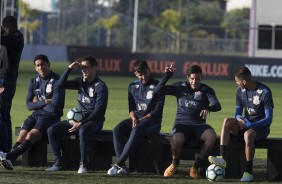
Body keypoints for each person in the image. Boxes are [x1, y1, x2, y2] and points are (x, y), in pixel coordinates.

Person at [208, 66, 274, 182]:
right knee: (227, 121)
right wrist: (240, 118)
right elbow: (237, 113)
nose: (237, 84)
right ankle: (222, 158)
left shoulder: (265, 92)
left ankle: (248, 173)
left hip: (260, 128)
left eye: (237, 82)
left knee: (248, 135)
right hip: (245, 125)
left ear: (244, 81)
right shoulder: (240, 91)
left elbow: (269, 119)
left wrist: (251, 125)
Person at [0, 54, 64, 170]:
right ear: (35, 68)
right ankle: (9, 160)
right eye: (38, 65)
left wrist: (38, 102)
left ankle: (7, 156)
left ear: (48, 65)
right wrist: (45, 101)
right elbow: (29, 105)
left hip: (51, 117)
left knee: (31, 135)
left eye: (43, 64)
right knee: (22, 135)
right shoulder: (33, 81)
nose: (41, 67)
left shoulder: (57, 81)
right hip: (36, 115)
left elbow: (54, 106)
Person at [46, 56, 108, 174]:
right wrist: (69, 69)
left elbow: (98, 111)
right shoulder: (80, 82)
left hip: (94, 121)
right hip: (78, 119)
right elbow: (60, 85)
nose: (83, 70)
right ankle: (59, 163)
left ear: (95, 68)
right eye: (82, 68)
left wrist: (81, 123)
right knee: (51, 130)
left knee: (83, 130)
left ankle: (83, 164)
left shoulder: (101, 87)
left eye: (86, 68)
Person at [158, 64, 221, 178]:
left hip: (199, 125)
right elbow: (158, 90)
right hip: (182, 124)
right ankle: (175, 163)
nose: (194, 81)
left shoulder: (206, 90)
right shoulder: (179, 87)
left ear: (201, 78)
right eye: (192, 78)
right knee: (176, 140)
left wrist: (208, 108)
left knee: (211, 136)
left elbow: (217, 105)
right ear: (188, 78)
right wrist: (167, 75)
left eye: (197, 79)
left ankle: (195, 167)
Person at [107, 60, 165, 176]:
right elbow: (131, 108)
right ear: (136, 74)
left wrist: (140, 120)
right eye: (140, 75)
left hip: (152, 122)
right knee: (117, 130)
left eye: (145, 74)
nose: (143, 77)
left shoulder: (158, 86)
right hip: (137, 119)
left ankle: (118, 163)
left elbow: (157, 112)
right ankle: (122, 166)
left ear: (149, 70)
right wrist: (133, 118)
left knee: (136, 129)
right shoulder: (132, 86)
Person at [0, 15, 24, 152]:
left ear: (8, 27)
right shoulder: (10, 38)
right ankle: (6, 150)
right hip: (6, 79)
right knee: (5, 115)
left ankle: (3, 150)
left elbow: (3, 39)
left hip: (6, 80)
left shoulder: (17, 37)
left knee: (1, 115)